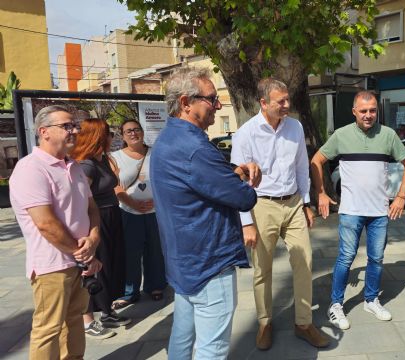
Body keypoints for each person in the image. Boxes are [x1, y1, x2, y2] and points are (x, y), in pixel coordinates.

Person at [150, 67, 261, 360]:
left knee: (182, 339)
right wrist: (248, 181)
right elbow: (243, 198)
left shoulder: (167, 140)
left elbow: (201, 184)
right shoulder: (195, 148)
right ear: (186, 102)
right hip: (209, 264)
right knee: (212, 349)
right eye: (212, 99)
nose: (218, 105)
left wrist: (231, 174)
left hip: (183, 263)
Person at [231, 78, 330, 350]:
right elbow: (237, 181)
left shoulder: (295, 127)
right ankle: (264, 323)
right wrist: (246, 222)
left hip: (294, 203)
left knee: (304, 260)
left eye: (288, 99)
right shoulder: (246, 133)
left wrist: (306, 204)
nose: (287, 105)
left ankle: (303, 322)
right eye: (281, 101)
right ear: (263, 103)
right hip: (261, 205)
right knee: (262, 268)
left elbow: (301, 167)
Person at [310, 90, 405, 330]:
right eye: (364, 111)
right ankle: (335, 305)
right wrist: (321, 193)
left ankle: (370, 299)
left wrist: (401, 196)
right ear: (354, 112)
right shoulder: (341, 135)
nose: (369, 115)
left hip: (379, 211)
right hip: (351, 211)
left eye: (373, 110)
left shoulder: (387, 135)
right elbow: (316, 160)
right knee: (346, 258)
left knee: (376, 258)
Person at [9, 105, 102, 359]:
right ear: (44, 132)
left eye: (75, 126)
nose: (74, 131)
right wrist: (83, 254)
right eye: (66, 126)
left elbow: (92, 208)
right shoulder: (31, 168)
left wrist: (93, 239)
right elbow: (45, 224)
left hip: (79, 261)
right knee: (48, 329)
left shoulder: (74, 167)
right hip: (52, 265)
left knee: (75, 322)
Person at [70, 118, 130, 339]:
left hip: (112, 214)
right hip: (98, 219)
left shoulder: (102, 160)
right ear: (97, 136)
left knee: (112, 264)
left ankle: (107, 311)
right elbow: (80, 199)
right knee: (98, 268)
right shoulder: (86, 165)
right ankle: (89, 320)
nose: (112, 137)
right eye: (108, 133)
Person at [110, 119, 166, 310]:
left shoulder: (155, 153)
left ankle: (156, 285)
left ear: (142, 132)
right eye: (128, 131)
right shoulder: (114, 157)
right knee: (130, 253)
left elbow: (165, 179)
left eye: (136, 130)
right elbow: (115, 186)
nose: (133, 134)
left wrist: (157, 200)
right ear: (123, 136)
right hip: (128, 211)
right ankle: (129, 291)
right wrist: (132, 202)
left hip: (156, 211)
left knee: (155, 251)